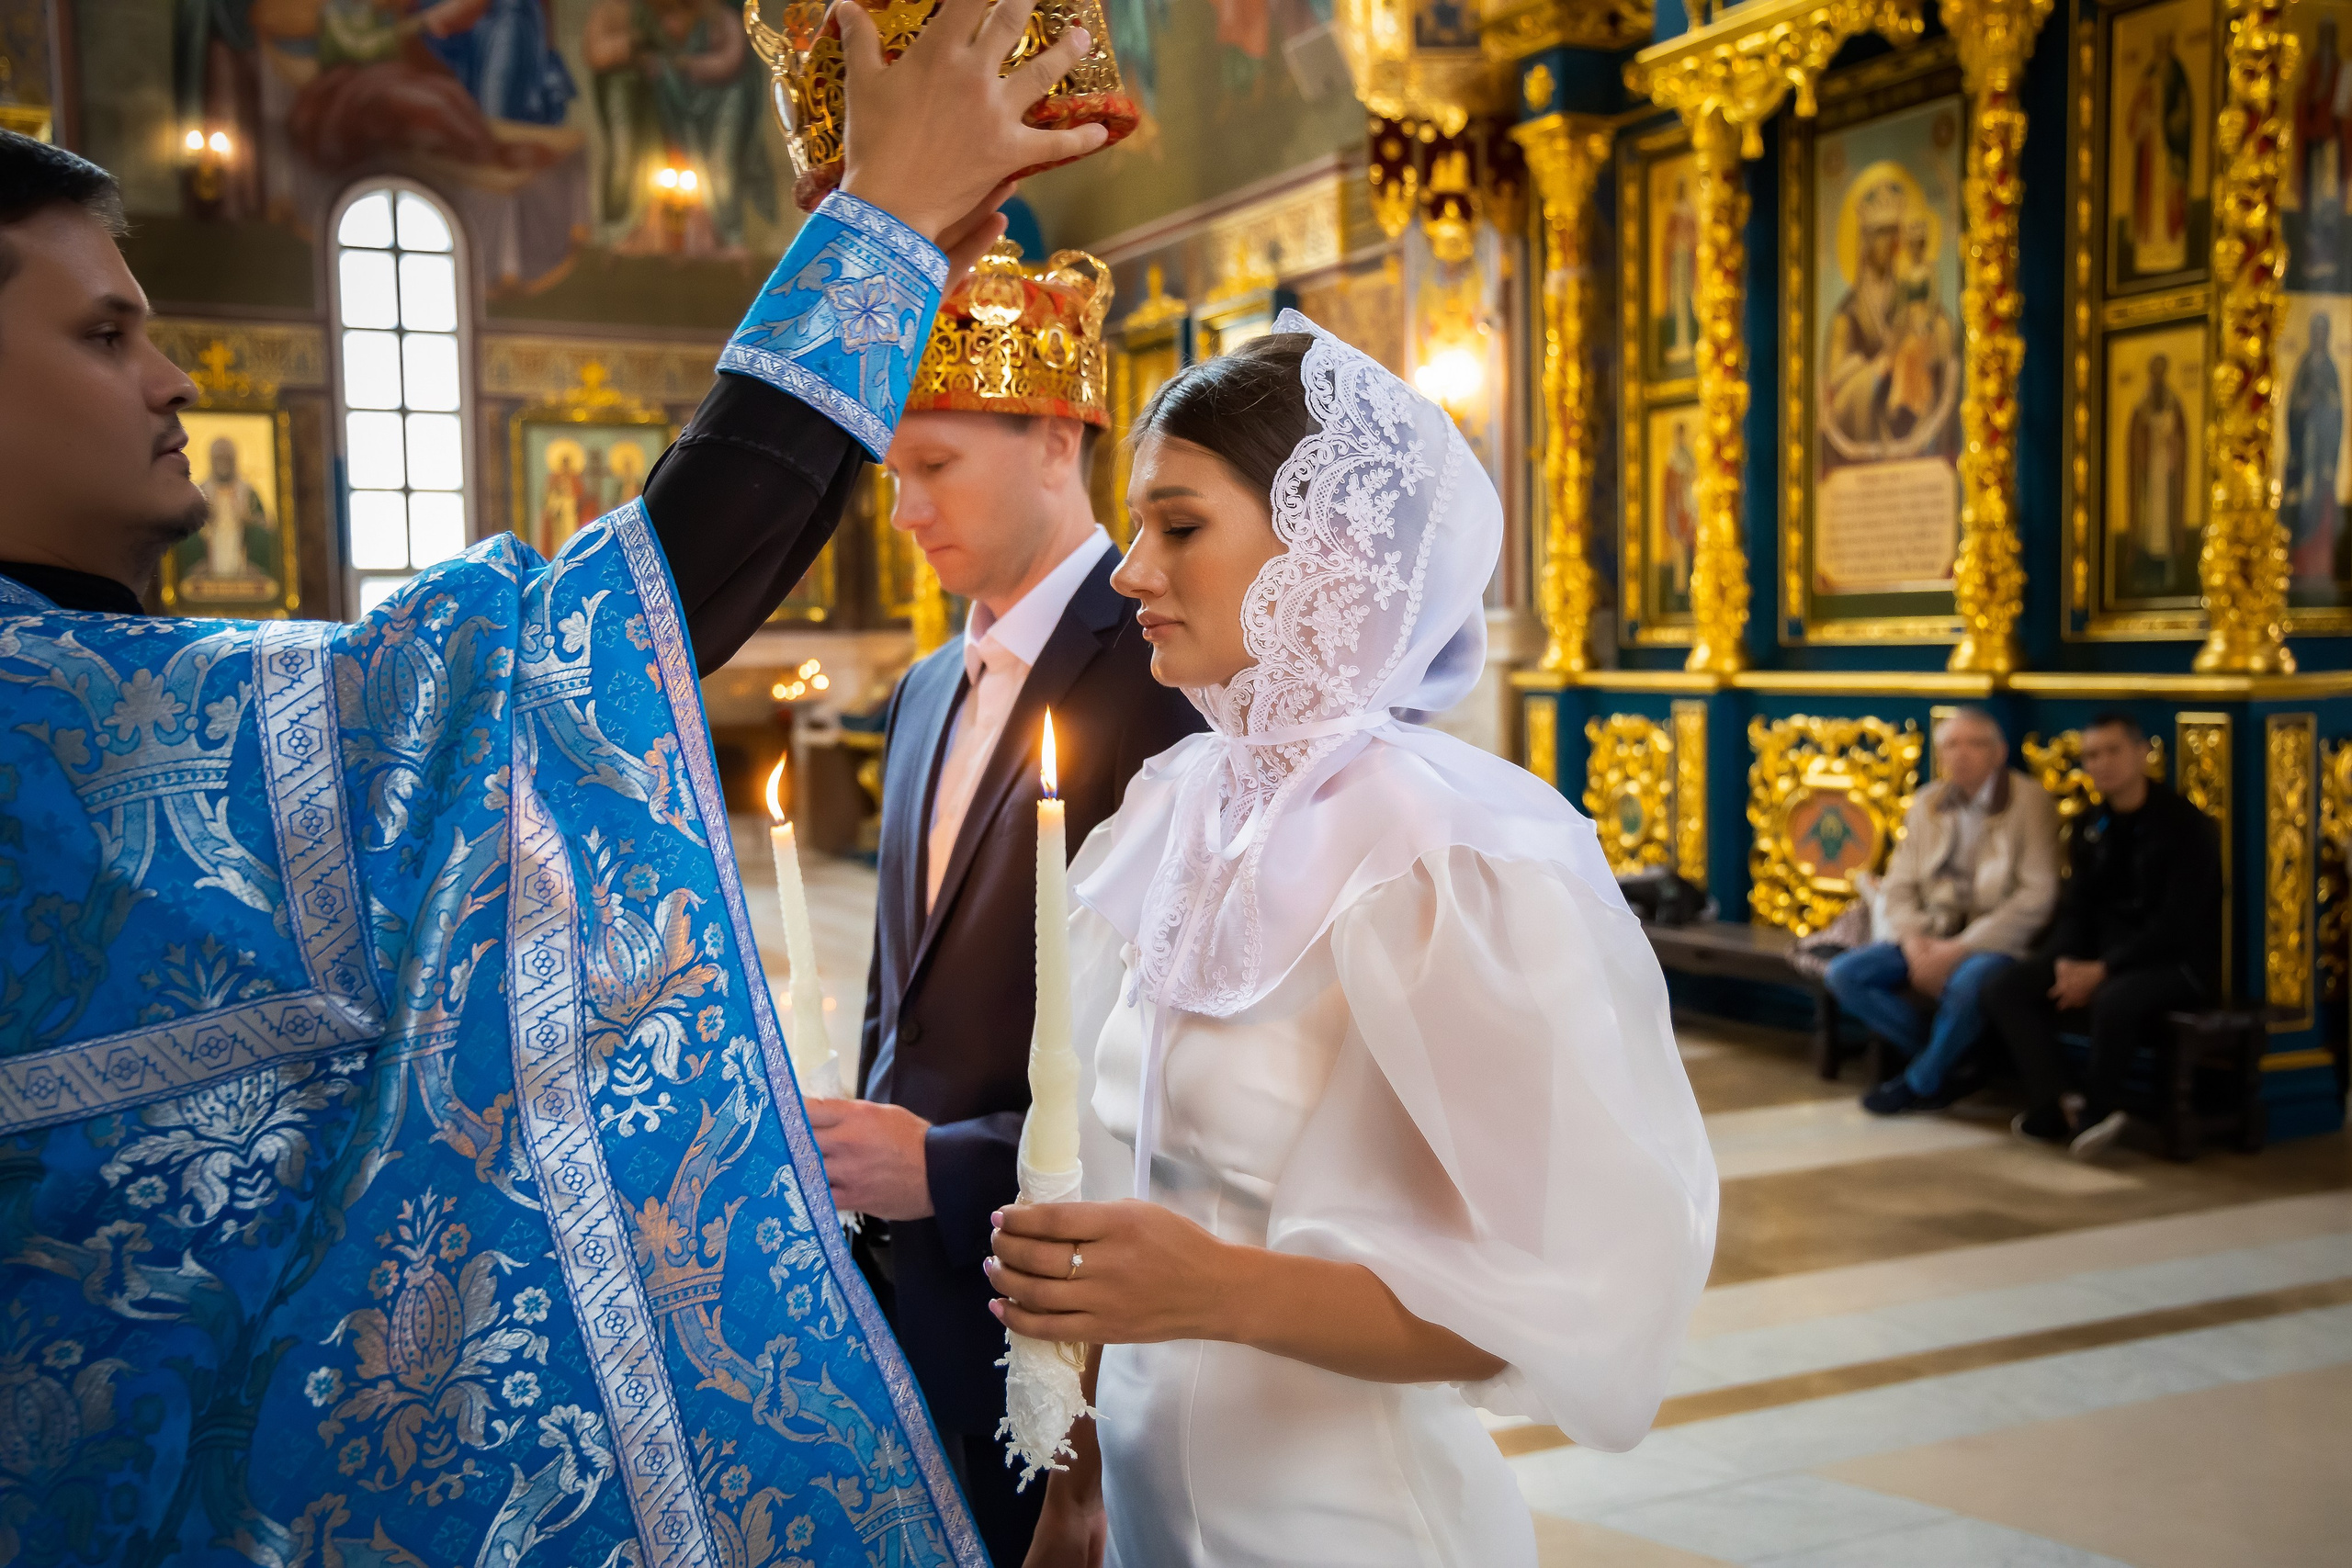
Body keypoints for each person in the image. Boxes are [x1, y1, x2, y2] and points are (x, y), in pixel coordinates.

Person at [0, 4, 1106, 1561]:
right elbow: (565, 659)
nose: (177, 378)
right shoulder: (52, 724)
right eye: (104, 333)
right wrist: (885, 228)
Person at [990, 322, 1719, 1567]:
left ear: (1321, 554)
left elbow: (1542, 1297)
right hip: (1153, 1520)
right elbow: (1118, 1190)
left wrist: (1220, 1288)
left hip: (1358, 1527)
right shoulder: (1171, 806)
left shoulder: (1444, 855)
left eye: (1178, 525)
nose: (1129, 570)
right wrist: (1078, 1476)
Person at [807, 239, 1202, 1566]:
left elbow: (1180, 1038)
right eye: (891, 474)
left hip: (1072, 1299)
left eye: (935, 466)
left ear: (1053, 434)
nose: (904, 510)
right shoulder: (925, 690)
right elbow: (900, 998)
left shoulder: (1160, 672)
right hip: (911, 1287)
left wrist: (946, 1162)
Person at [1983, 712, 2225, 1161]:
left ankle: (2097, 1111)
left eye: (2113, 751)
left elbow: (2177, 924)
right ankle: (2055, 1102)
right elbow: (2079, 908)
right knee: (2005, 987)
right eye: (2092, 755)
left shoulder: (2185, 827)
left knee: (2115, 998)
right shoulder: (2090, 825)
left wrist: (2102, 969)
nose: (2102, 763)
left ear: (2140, 753)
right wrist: (2065, 962)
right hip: (2101, 954)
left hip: (2174, 961)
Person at [1825, 708, 2060, 1115]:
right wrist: (1915, 944)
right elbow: (1898, 886)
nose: (1962, 754)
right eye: (1952, 745)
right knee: (1844, 975)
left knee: (1968, 983)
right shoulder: (1928, 802)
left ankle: (1921, 1080)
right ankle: (1950, 1061)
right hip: (1930, 933)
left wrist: (1959, 950)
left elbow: (2035, 896)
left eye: (1975, 744)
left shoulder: (2030, 802)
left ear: (1999, 752)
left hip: (1995, 942)